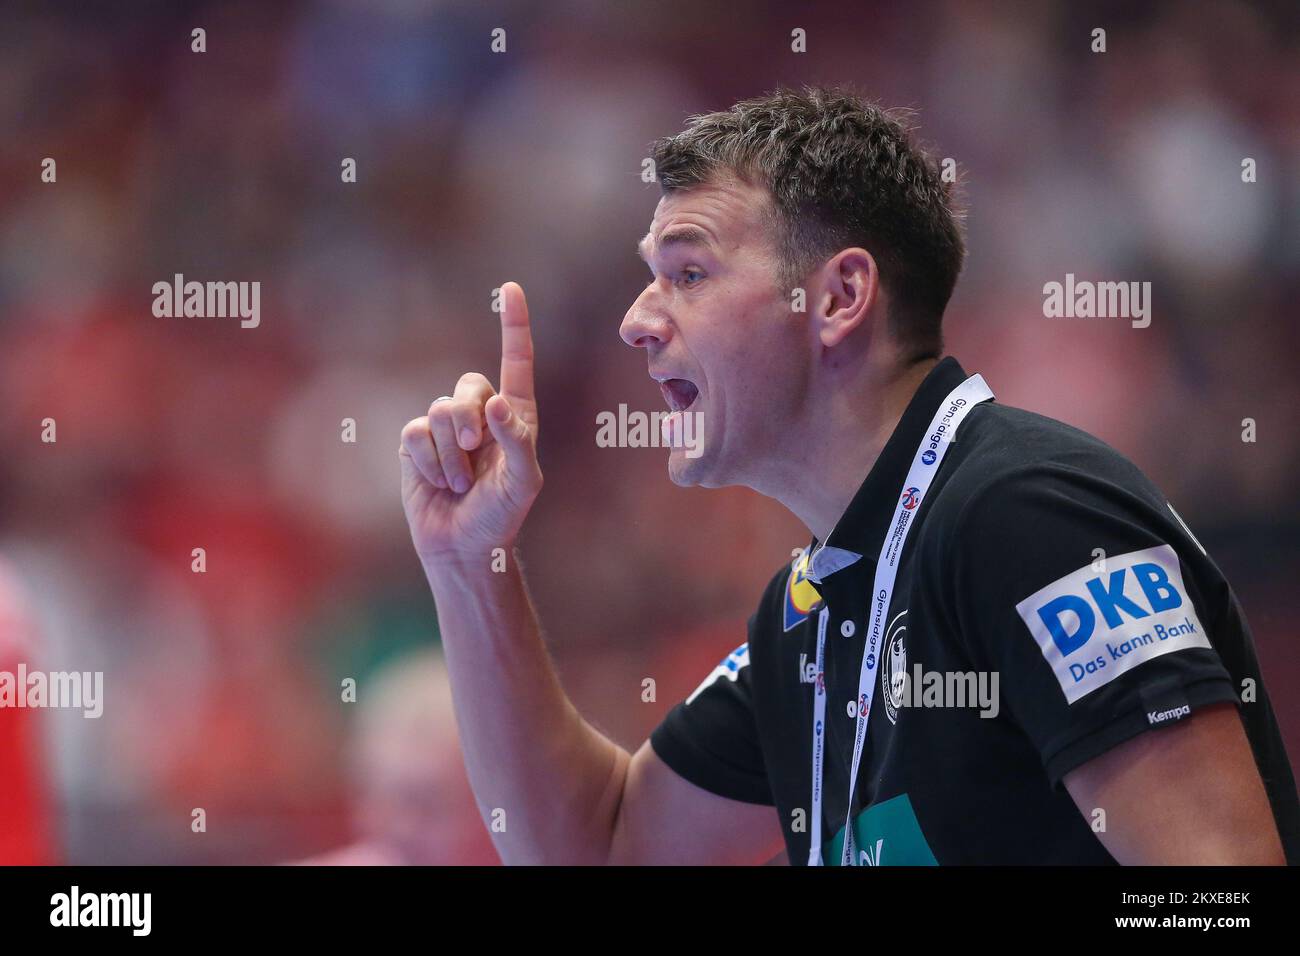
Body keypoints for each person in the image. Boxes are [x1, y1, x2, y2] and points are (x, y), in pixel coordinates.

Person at [397, 87, 1298, 865]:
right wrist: (470, 562)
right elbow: (597, 843)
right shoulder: (814, 610)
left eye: (689, 272)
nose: (636, 320)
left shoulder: (1028, 519)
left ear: (836, 299)